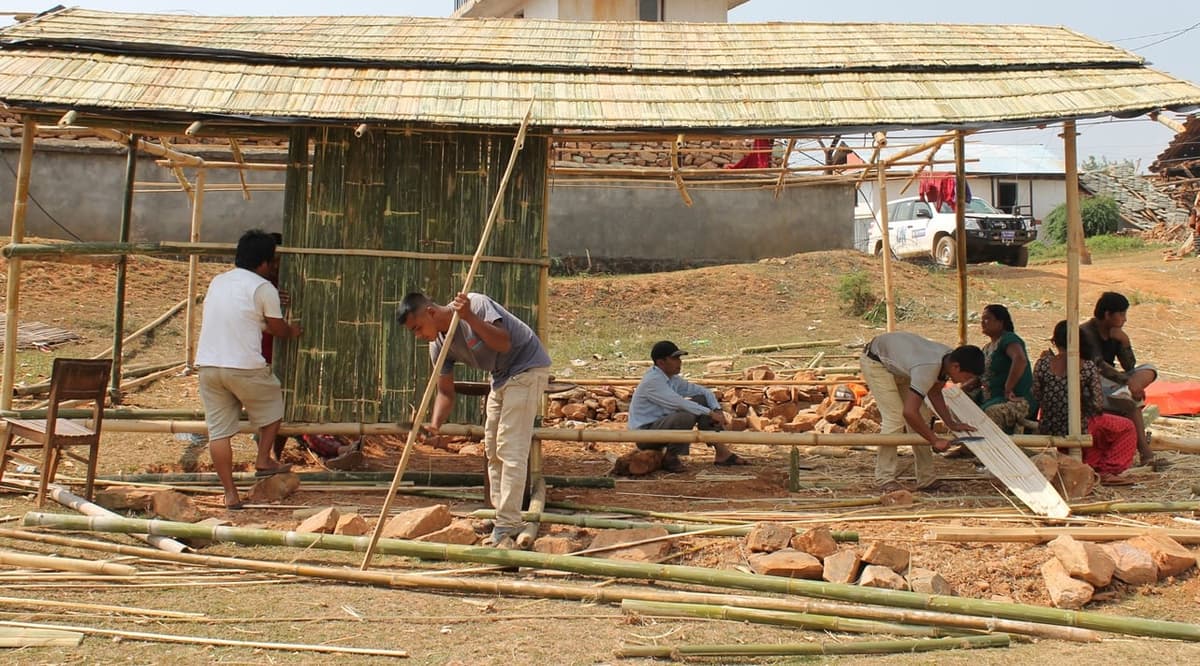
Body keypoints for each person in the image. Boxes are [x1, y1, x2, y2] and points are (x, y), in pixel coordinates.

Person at [397, 291, 550, 549]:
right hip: (501, 377)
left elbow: (504, 343)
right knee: (492, 448)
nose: (418, 335)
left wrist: (468, 317)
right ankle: (503, 515)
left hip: (526, 367)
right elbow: (445, 392)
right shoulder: (438, 346)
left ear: (431, 312)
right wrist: (435, 425)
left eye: (418, 327)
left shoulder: (475, 305)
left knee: (510, 447)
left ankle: (509, 521)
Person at [195, 229, 302, 510]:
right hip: (243, 366)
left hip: (208, 365)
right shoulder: (263, 287)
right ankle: (264, 458)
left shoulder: (217, 282)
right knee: (274, 406)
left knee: (219, 433)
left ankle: (230, 494)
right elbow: (277, 328)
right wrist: (293, 331)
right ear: (266, 263)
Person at [860, 332, 984, 492]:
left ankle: (926, 479)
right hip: (876, 361)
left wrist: (950, 423)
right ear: (956, 367)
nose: (964, 381)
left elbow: (935, 391)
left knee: (923, 418)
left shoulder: (948, 359)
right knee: (895, 418)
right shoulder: (928, 367)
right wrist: (934, 440)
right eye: (966, 376)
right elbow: (909, 413)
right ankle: (884, 478)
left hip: (900, 366)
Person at [1033, 320, 1137, 484]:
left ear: (1054, 341)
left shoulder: (1042, 364)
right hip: (1080, 424)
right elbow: (1097, 402)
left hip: (1049, 424)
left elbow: (1037, 394)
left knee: (1098, 428)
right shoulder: (1086, 366)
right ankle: (1108, 470)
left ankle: (1090, 465)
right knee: (1126, 427)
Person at [627, 341, 748, 473]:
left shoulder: (672, 378)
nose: (679, 362)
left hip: (661, 428)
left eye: (679, 358)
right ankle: (671, 457)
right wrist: (711, 413)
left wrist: (716, 409)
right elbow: (680, 403)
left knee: (701, 400)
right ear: (661, 363)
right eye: (674, 358)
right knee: (685, 415)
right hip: (646, 435)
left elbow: (703, 391)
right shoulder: (653, 381)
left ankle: (721, 452)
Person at [1079, 292, 1160, 468]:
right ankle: (1146, 453)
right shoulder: (1085, 332)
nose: (1125, 319)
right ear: (1108, 314)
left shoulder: (1115, 334)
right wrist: (1126, 382)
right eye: (1121, 314)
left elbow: (1130, 365)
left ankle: (1128, 391)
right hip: (1094, 382)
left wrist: (1125, 342)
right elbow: (1098, 366)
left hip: (1116, 382)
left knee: (1150, 368)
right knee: (1132, 404)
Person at [973, 304, 1037, 433]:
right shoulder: (986, 348)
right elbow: (981, 376)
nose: (983, 322)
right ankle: (967, 445)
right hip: (992, 397)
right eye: (982, 319)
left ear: (1000, 322)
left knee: (992, 412)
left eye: (987, 318)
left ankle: (993, 449)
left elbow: (1020, 359)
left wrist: (1008, 388)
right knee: (959, 403)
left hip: (1016, 397)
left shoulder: (1009, 339)